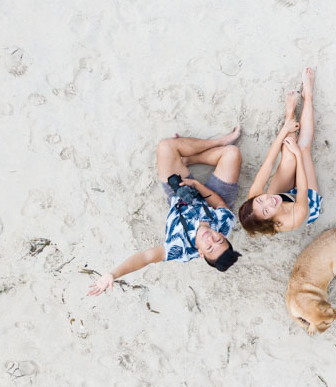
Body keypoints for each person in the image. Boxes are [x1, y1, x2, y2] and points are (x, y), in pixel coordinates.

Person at [87, 124, 243, 295]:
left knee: (165, 147)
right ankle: (212, 146)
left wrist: (112, 274)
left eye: (209, 248)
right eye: (218, 240)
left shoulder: (179, 248)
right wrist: (198, 186)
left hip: (180, 196)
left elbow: (146, 258)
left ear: (200, 253)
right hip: (210, 198)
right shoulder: (225, 224)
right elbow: (221, 205)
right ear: (222, 235)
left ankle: (185, 159)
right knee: (232, 153)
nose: (211, 240)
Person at [238, 68, 323, 235]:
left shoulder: (255, 201)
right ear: (269, 221)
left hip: (284, 196)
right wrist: (298, 154)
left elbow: (268, 163)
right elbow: (302, 189)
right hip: (304, 200)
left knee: (288, 158)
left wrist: (285, 129)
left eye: (261, 200)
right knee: (303, 147)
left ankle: (290, 114)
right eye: (266, 211)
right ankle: (308, 97)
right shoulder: (294, 217)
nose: (268, 202)